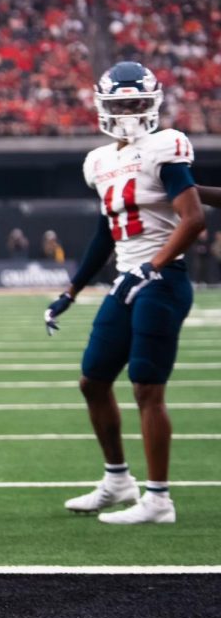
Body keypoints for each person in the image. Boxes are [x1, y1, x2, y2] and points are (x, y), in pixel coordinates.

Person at [44, 62, 205, 525]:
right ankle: (118, 480)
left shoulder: (166, 145)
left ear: (152, 104)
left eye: (136, 103)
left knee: (146, 389)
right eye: (120, 104)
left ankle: (158, 500)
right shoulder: (100, 161)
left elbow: (194, 220)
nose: (129, 112)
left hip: (162, 279)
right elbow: (104, 235)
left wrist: (149, 270)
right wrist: (70, 292)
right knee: (92, 380)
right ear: (103, 108)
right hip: (126, 280)